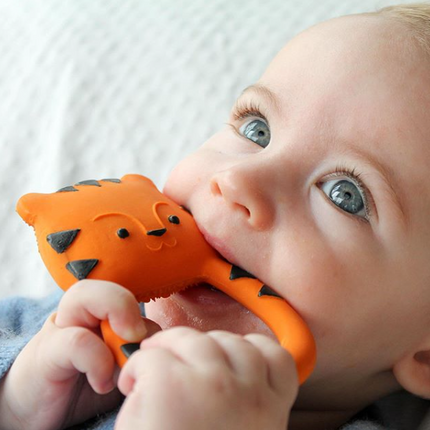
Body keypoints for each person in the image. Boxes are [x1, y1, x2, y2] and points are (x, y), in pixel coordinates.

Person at [1, 3, 430, 429]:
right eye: (256, 129)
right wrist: (18, 406)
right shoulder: (61, 322)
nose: (239, 180)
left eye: (345, 195)